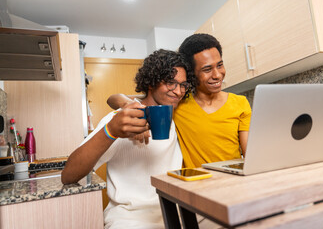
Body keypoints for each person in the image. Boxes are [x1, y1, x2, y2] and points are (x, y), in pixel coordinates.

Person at [61, 49, 192, 229]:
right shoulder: (120, 120)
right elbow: (68, 175)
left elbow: (117, 97)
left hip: (173, 215)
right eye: (171, 82)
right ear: (152, 81)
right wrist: (111, 130)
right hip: (129, 220)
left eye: (183, 84)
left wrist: (122, 100)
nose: (178, 91)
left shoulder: (176, 114)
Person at [107, 33, 252, 169]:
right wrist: (132, 109)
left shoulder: (240, 103)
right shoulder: (176, 102)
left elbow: (250, 155)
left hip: (232, 181)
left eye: (219, 65)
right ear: (191, 74)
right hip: (194, 186)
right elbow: (115, 98)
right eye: (207, 69)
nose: (217, 75)